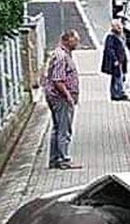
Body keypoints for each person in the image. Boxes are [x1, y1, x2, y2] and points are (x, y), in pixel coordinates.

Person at [44, 30, 82, 170]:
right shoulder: (61, 56)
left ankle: (54, 159)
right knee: (64, 129)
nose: (77, 43)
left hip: (55, 97)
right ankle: (64, 159)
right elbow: (58, 80)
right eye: (75, 40)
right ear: (67, 40)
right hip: (60, 98)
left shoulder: (61, 53)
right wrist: (68, 96)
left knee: (57, 128)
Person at [102, 20, 130, 101]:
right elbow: (110, 49)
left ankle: (117, 93)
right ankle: (119, 94)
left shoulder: (121, 35)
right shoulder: (111, 37)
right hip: (116, 61)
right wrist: (115, 59)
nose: (120, 27)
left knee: (120, 76)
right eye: (117, 26)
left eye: (120, 26)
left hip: (121, 60)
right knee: (117, 77)